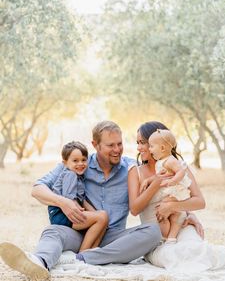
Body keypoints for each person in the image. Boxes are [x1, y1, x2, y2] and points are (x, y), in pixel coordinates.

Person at [0, 120, 162, 281]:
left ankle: (80, 259)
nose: (117, 150)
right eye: (110, 145)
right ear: (95, 144)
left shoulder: (130, 167)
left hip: (113, 239)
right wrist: (64, 202)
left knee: (153, 232)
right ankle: (40, 261)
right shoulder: (78, 163)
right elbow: (37, 189)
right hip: (77, 233)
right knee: (53, 231)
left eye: (120, 144)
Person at [128, 121, 225, 273]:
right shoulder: (136, 172)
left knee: (195, 249)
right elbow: (134, 209)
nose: (139, 148)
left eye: (143, 143)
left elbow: (199, 201)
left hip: (182, 227)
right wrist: (157, 182)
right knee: (173, 256)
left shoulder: (179, 167)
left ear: (161, 145)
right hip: (156, 239)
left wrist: (175, 208)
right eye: (137, 142)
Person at [48, 140, 108, 251]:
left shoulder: (79, 177)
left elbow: (82, 200)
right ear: (65, 163)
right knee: (101, 217)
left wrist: (95, 213)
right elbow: (70, 200)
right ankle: (82, 253)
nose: (80, 164)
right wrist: (91, 215)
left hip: (68, 213)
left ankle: (93, 250)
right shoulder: (70, 175)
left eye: (83, 160)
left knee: (103, 217)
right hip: (62, 215)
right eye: (75, 161)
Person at [140, 128, 192, 242]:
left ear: (162, 148)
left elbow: (181, 171)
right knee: (167, 213)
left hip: (176, 190)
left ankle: (170, 236)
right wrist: (148, 181)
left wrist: (173, 181)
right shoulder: (162, 162)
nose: (149, 149)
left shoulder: (170, 160)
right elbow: (160, 176)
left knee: (163, 210)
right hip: (171, 190)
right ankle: (170, 236)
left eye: (152, 146)